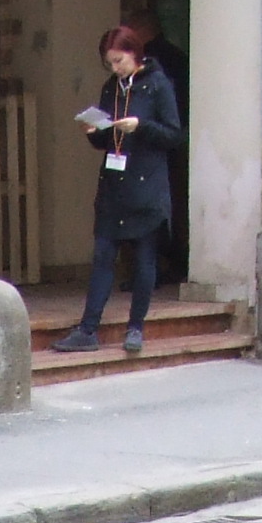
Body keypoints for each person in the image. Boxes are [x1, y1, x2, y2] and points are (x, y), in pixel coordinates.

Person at [48, 26, 181, 358]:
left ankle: (136, 327)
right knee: (103, 256)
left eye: (120, 61)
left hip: (146, 185)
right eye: (110, 63)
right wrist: (94, 132)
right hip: (114, 184)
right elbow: (107, 138)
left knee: (144, 258)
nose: (116, 68)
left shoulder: (158, 85)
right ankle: (87, 329)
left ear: (135, 54)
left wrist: (141, 126)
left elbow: (173, 135)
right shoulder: (112, 87)